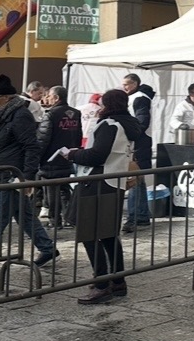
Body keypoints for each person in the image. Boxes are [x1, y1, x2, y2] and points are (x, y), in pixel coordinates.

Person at [60, 88, 146, 304]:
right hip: (114, 181)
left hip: (97, 181)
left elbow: (97, 155)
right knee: (108, 234)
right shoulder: (129, 124)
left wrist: (72, 154)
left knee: (89, 233)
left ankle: (101, 283)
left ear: (107, 105)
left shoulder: (109, 124)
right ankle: (117, 280)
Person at [0, 74, 57, 270]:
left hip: (11, 175)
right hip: (7, 172)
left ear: (6, 98)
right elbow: (2, 145)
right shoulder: (7, 116)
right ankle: (47, 248)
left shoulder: (19, 116)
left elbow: (31, 147)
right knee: (24, 216)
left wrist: (27, 177)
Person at [37, 86, 82, 227]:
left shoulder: (51, 114)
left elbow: (42, 139)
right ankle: (71, 218)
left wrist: (37, 157)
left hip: (50, 158)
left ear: (56, 98)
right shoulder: (76, 113)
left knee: (51, 190)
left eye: (49, 96)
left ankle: (54, 220)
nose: (47, 98)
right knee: (64, 188)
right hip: (67, 155)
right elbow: (78, 135)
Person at [121, 73, 155, 232]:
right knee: (138, 179)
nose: (124, 87)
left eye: (126, 84)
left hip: (138, 144)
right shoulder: (139, 98)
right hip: (140, 142)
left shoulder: (139, 99)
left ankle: (133, 217)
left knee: (133, 178)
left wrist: (130, 134)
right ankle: (141, 215)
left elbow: (142, 122)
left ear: (134, 84)